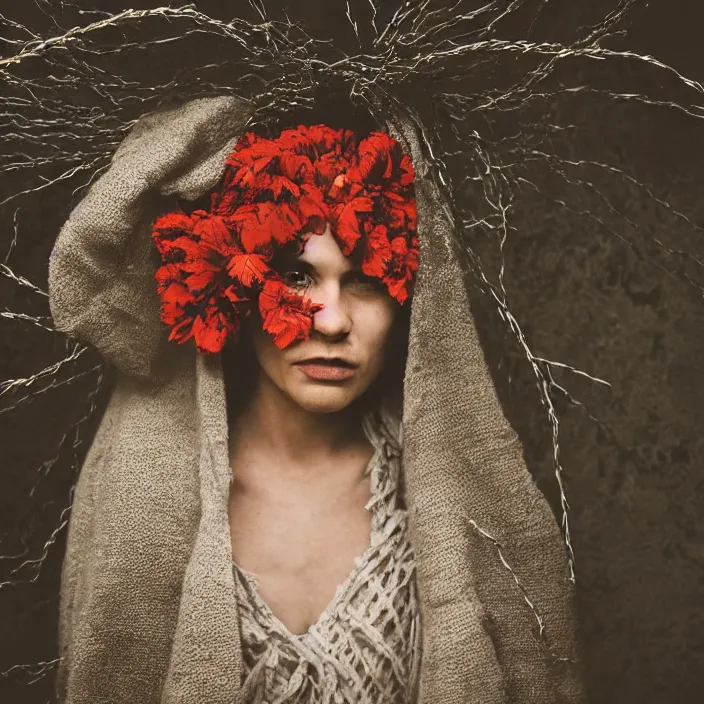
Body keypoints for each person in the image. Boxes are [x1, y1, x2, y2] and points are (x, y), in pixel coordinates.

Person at [48, 94, 587, 703]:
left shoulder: (456, 503)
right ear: (234, 287)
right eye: (296, 275)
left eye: (365, 280)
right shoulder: (144, 498)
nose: (331, 321)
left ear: (410, 299)